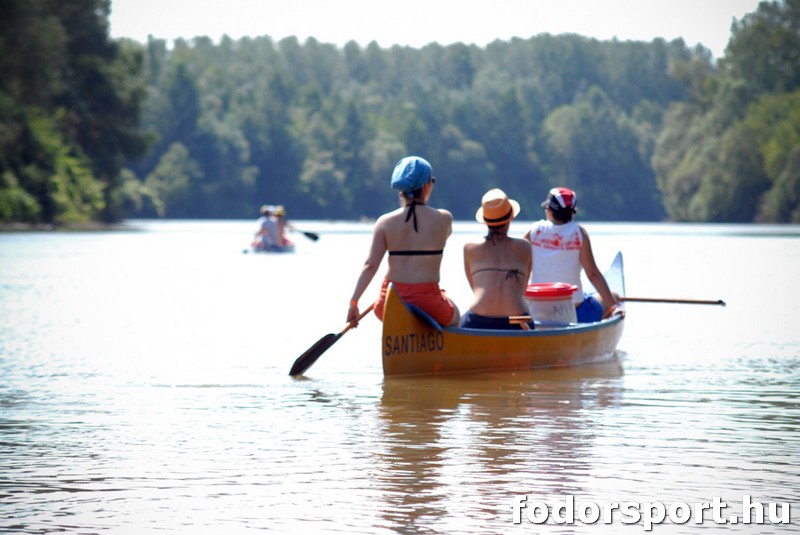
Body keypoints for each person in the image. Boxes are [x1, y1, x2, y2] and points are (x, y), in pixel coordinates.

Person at [347, 156, 460, 327]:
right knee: (456, 315)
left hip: (391, 300)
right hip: (429, 302)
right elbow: (445, 235)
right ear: (425, 185)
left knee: (393, 311)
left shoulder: (384, 222)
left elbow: (370, 265)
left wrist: (354, 302)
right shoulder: (444, 218)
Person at [523, 187, 623, 322]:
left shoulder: (533, 232)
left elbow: (523, 274)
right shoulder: (579, 234)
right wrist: (614, 307)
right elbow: (592, 274)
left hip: (537, 311)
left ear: (549, 209)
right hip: (575, 313)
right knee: (615, 296)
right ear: (572, 212)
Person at [461, 188, 534, 330]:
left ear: (485, 221)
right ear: (511, 218)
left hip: (478, 319)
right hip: (516, 321)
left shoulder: (469, 248)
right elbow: (522, 289)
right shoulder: (525, 247)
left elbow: (475, 288)